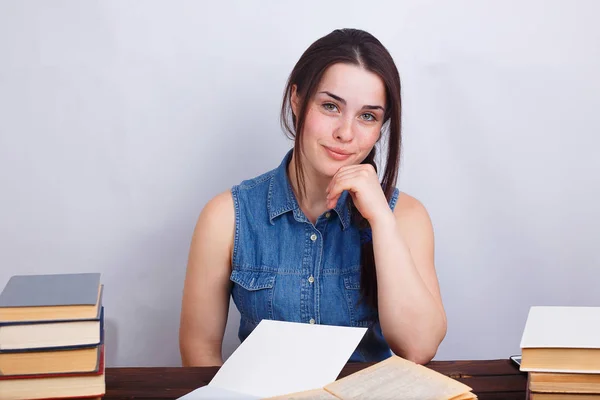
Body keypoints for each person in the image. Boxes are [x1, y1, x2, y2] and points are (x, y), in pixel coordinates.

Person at [179, 28, 447, 367]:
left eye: (368, 116)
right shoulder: (226, 216)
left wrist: (381, 221)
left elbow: (420, 347)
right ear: (297, 99)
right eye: (331, 106)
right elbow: (198, 353)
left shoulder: (405, 216)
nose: (345, 133)